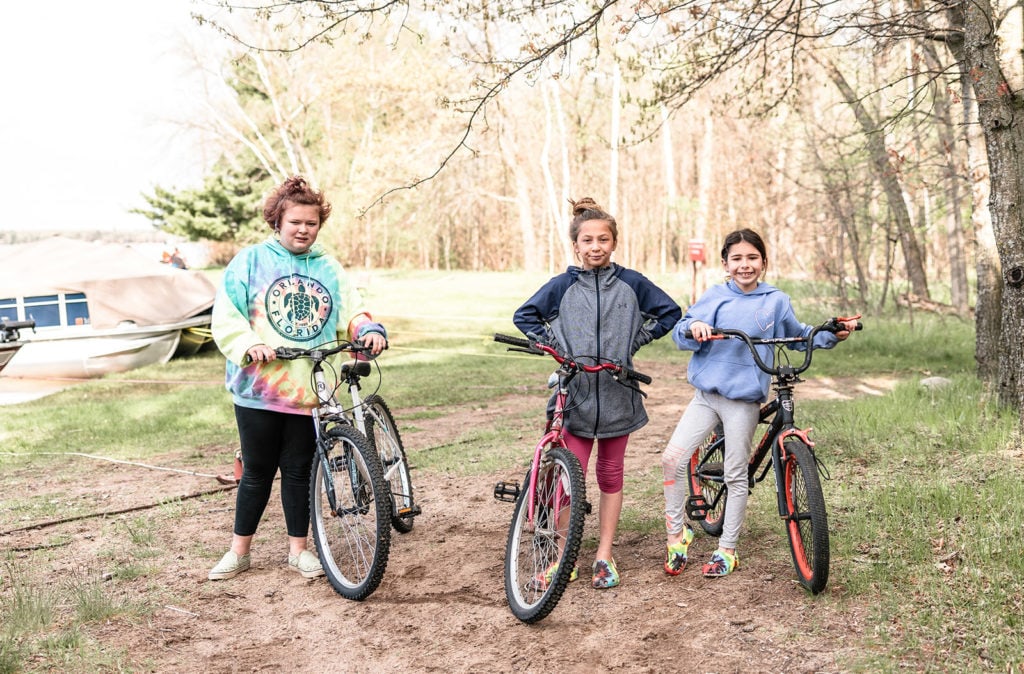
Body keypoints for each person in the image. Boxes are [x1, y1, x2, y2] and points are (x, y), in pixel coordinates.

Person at [208, 175, 387, 581]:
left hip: (308, 386)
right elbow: (226, 313)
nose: (303, 230)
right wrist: (248, 344)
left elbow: (351, 309)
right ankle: (239, 551)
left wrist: (368, 330)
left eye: (311, 224)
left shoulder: (328, 267)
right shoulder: (250, 261)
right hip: (260, 388)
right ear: (277, 221)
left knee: (298, 470)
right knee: (256, 471)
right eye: (295, 223)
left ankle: (299, 550)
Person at [660, 228, 857, 579]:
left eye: (752, 258)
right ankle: (677, 534)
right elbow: (682, 329)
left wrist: (831, 333)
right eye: (736, 259)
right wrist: (696, 327)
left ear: (763, 262)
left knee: (737, 474)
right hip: (707, 396)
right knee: (672, 459)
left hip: (743, 400)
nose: (745, 265)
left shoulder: (776, 300)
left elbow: (798, 334)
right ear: (725, 264)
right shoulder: (715, 296)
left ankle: (727, 549)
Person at [513, 197, 681, 590]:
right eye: (587, 240)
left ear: (614, 243)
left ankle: (604, 554)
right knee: (568, 480)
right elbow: (525, 316)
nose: (595, 247)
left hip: (619, 394)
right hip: (576, 396)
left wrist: (636, 340)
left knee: (610, 475)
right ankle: (562, 557)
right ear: (576, 246)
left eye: (603, 239)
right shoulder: (562, 285)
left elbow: (670, 313)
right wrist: (554, 345)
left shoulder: (632, 283)